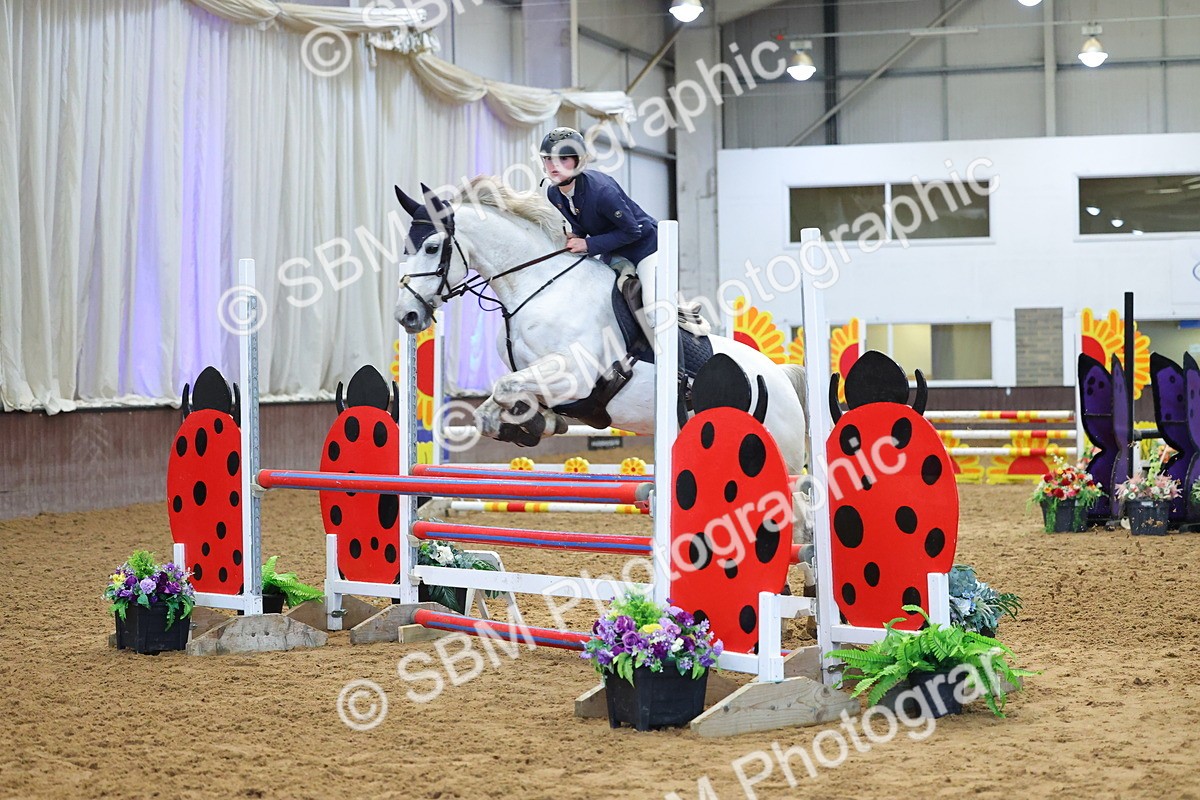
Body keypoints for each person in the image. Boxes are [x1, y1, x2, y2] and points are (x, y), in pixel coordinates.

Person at [539, 127, 661, 339]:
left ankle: (677, 366)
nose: (553, 166)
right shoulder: (553, 193)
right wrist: (577, 234)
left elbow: (632, 231)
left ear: (579, 161)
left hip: (645, 247)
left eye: (563, 159)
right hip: (613, 251)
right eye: (548, 159)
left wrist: (587, 245)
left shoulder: (603, 191)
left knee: (652, 309)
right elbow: (584, 220)